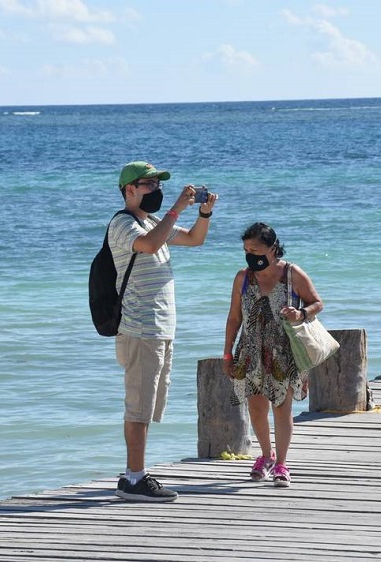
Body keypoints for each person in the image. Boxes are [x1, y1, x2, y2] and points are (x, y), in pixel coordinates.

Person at [109, 161, 217, 502]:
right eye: (149, 185)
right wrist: (176, 208)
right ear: (129, 190)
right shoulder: (123, 224)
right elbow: (149, 246)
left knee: (149, 406)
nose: (156, 191)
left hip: (159, 329)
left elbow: (195, 240)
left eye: (158, 186)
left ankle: (135, 474)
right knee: (138, 407)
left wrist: (204, 213)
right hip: (139, 328)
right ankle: (135, 478)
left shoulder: (153, 221)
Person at [221, 222, 323, 487]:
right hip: (250, 350)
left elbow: (316, 303)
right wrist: (227, 354)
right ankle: (266, 456)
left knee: (282, 407)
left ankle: (282, 465)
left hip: (284, 351)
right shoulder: (243, 277)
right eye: (246, 249)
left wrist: (301, 313)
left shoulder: (292, 274)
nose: (250, 254)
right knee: (255, 408)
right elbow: (234, 318)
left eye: (255, 249)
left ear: (273, 248)